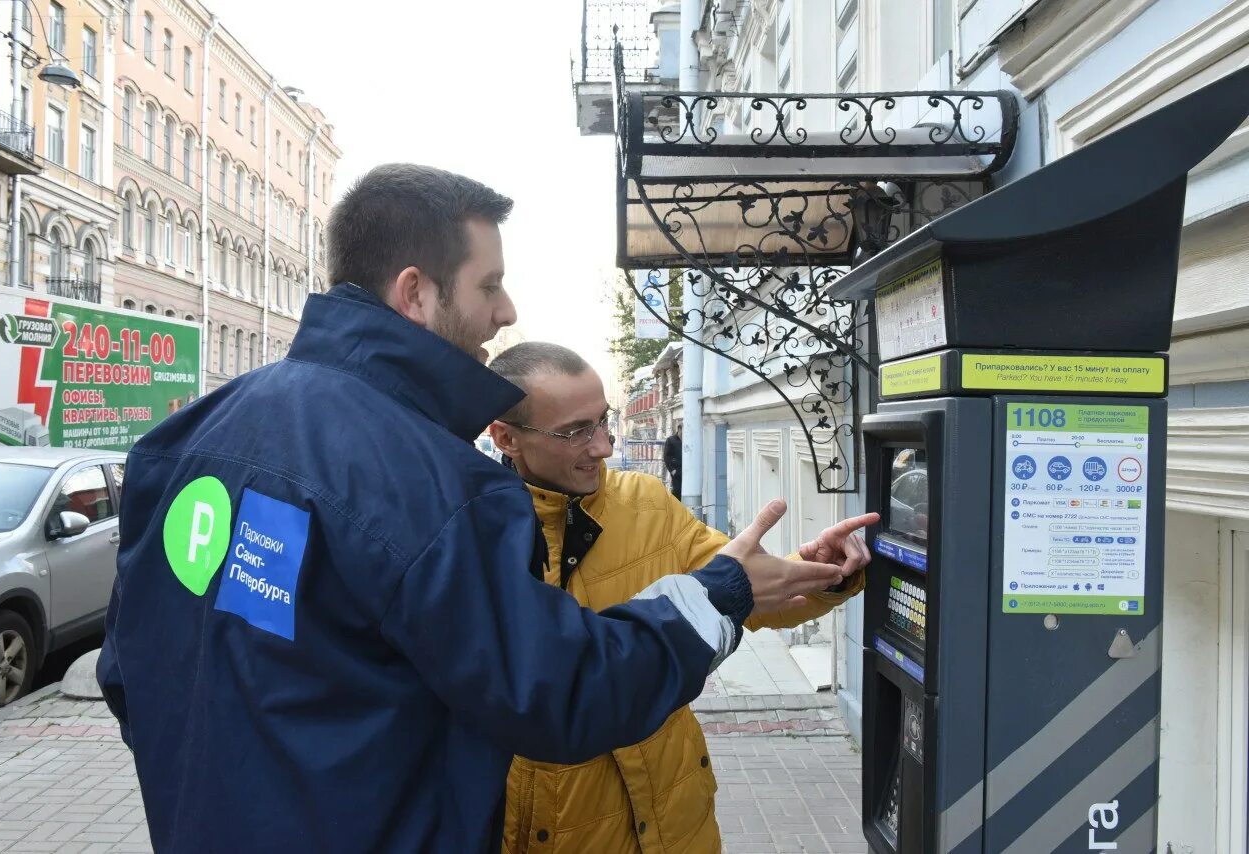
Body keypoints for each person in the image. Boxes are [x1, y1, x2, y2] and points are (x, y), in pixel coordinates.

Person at [95, 164, 846, 853]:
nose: (506, 310)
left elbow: (128, 673)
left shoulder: (186, 439)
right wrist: (721, 593)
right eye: (489, 286)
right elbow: (561, 691)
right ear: (415, 292)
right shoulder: (428, 483)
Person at [488, 342, 878, 853]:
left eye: (602, 421)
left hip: (676, 822)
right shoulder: (474, 537)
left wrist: (820, 573)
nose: (603, 446)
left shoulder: (646, 504)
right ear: (505, 437)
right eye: (574, 431)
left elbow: (752, 597)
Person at [664, 423, 683, 499]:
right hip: (677, 470)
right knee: (677, 489)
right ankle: (674, 506)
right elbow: (666, 457)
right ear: (679, 429)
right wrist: (672, 470)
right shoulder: (671, 440)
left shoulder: (689, 439)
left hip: (687, 470)